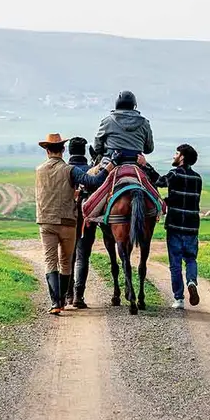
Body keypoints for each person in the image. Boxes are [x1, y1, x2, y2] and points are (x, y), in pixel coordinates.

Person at [35, 133, 113, 314]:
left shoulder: (38, 170)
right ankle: (66, 299)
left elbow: (51, 191)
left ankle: (56, 303)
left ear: (47, 151)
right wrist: (109, 166)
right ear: (62, 149)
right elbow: (94, 181)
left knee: (50, 261)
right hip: (68, 222)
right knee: (66, 261)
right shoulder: (70, 170)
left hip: (45, 221)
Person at [138, 144, 202, 309]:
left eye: (176, 153)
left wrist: (145, 165)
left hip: (175, 226)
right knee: (190, 259)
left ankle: (179, 299)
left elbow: (159, 181)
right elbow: (186, 199)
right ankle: (192, 281)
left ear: (181, 157)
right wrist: (168, 201)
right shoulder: (197, 178)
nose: (174, 156)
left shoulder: (174, 174)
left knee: (175, 264)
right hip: (192, 226)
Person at [64, 136, 92, 308]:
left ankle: (67, 296)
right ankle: (78, 296)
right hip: (87, 221)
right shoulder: (91, 171)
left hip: (66, 219)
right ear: (85, 152)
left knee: (68, 257)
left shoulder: (64, 170)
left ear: (69, 151)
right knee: (83, 256)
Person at [93, 90, 154, 165]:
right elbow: (149, 149)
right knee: (153, 176)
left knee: (93, 175)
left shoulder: (107, 121)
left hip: (110, 162)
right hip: (137, 162)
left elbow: (97, 147)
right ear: (134, 106)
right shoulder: (145, 123)